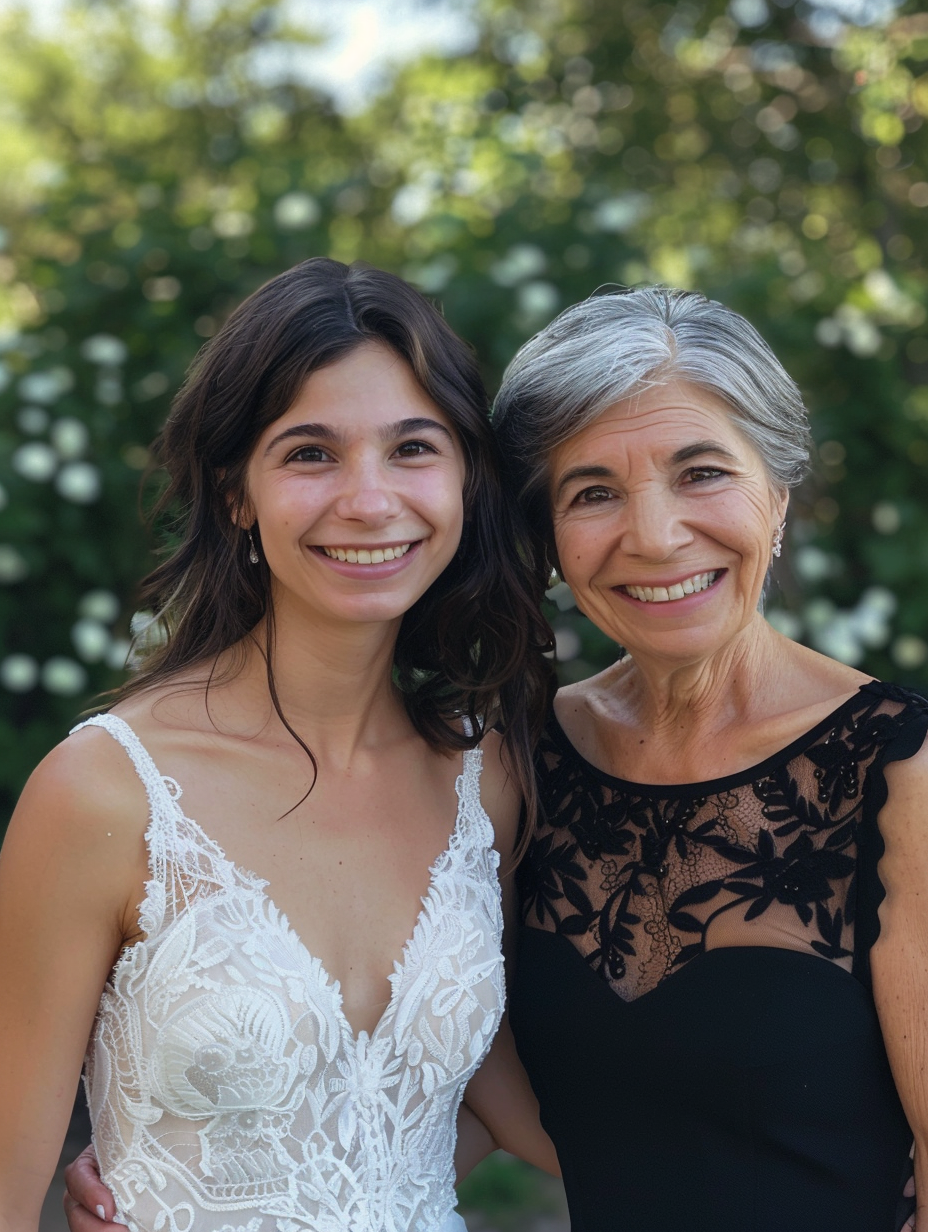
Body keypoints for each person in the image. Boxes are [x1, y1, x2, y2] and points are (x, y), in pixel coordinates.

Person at [0, 257, 558, 1232]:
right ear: (234, 492)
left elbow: (484, 1114)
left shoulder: (487, 777)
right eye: (310, 453)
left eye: (412, 448)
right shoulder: (106, 792)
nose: (369, 499)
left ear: (466, 476)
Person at [490, 286, 928, 1232]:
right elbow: (443, 1075)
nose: (653, 536)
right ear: (552, 540)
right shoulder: (523, 759)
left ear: (776, 494)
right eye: (593, 491)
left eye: (700, 473)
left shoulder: (902, 772)